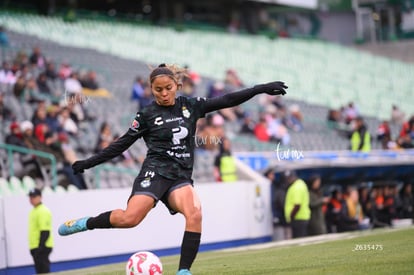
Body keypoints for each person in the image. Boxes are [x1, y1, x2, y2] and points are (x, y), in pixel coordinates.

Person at [58, 63, 288, 275]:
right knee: (130, 219)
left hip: (180, 176)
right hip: (155, 172)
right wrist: (88, 162)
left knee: (195, 214)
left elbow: (227, 100)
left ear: (177, 86)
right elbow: (121, 144)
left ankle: (183, 271)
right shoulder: (146, 115)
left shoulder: (191, 106)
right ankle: (85, 223)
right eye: (158, 90)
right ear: (151, 89)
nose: (164, 94)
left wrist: (260, 89)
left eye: (168, 88)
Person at [28, 188, 54, 274]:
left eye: (34, 197)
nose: (32, 199)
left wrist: (40, 247)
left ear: (40, 197)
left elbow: (45, 231)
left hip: (42, 246)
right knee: (40, 270)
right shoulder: (34, 211)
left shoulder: (43, 211)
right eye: (31, 197)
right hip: (35, 246)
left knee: (43, 270)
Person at [283, 170, 310, 238]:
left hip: (298, 218)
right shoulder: (301, 184)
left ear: (294, 177)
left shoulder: (296, 187)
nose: (288, 180)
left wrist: (291, 217)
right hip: (302, 217)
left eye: (289, 178)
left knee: (299, 240)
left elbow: (297, 205)